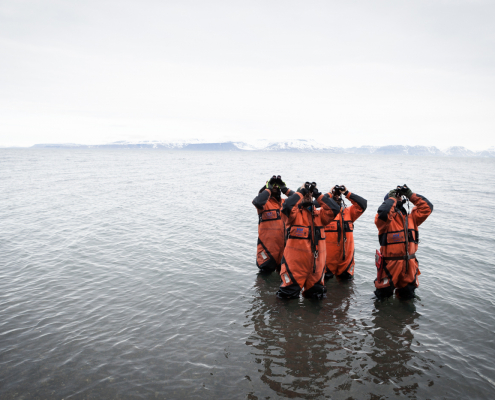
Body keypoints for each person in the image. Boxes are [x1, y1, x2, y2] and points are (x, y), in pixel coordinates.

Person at [277, 182, 340, 299]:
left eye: (309, 194)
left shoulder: (320, 216)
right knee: (285, 303)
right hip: (294, 270)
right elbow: (287, 206)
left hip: (316, 271)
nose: (307, 196)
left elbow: (335, 208)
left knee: (316, 303)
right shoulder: (292, 216)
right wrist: (301, 192)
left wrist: (317, 194)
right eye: (305, 194)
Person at [374, 184, 433, 299]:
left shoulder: (412, 218)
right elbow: (384, 212)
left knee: (408, 300)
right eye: (396, 198)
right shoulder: (384, 221)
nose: (398, 199)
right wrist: (392, 199)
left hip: (409, 268)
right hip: (389, 267)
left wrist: (410, 195)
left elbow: (427, 208)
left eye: (399, 198)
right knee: (382, 300)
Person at [324, 185, 367, 280]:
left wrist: (347, 193)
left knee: (347, 289)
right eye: (334, 194)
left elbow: (363, 204)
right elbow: (313, 204)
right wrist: (329, 195)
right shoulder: (323, 214)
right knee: (326, 290)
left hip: (346, 263)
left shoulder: (349, 212)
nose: (337, 196)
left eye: (338, 195)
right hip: (327, 263)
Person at [252, 175, 295, 273]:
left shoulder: (285, 203)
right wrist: (268, 188)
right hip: (267, 251)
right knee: (263, 283)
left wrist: (285, 189)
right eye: (273, 185)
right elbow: (257, 201)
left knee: (282, 279)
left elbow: (299, 200)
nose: (275, 187)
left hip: (284, 250)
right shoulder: (264, 204)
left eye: (277, 185)